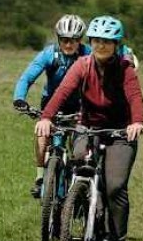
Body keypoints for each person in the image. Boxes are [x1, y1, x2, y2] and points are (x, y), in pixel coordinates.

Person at [36, 15, 143, 241]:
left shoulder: (125, 69)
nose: (101, 45)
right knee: (77, 162)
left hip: (120, 132)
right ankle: (82, 202)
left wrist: (137, 122)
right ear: (91, 41)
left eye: (107, 41)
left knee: (115, 187)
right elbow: (62, 91)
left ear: (116, 44)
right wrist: (46, 117)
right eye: (97, 40)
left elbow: (135, 97)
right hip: (88, 127)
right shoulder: (82, 65)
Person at [12, 14, 90, 199]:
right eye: (64, 40)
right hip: (51, 106)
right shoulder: (49, 54)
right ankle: (40, 179)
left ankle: (81, 185)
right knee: (42, 137)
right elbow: (27, 77)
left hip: (80, 107)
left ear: (80, 40)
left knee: (81, 148)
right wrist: (20, 99)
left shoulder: (88, 55)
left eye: (73, 40)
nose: (69, 45)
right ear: (58, 39)